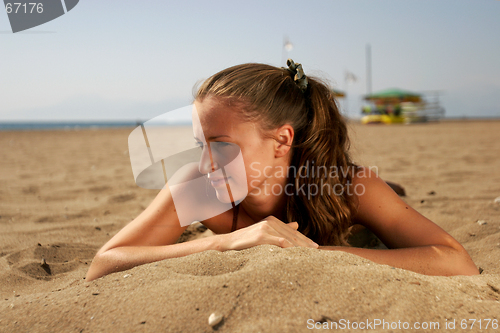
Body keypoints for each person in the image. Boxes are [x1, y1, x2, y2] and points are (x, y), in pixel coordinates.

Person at [85, 60, 479, 281]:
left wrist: (318, 255)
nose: (205, 164)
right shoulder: (199, 186)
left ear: (282, 140)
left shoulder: (349, 184)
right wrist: (221, 243)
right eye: (199, 146)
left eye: (220, 146)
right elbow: (103, 264)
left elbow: (456, 261)